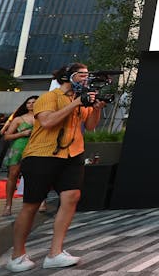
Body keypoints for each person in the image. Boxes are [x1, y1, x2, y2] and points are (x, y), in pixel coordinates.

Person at [6, 63, 106, 272]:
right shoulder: (49, 97)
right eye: (81, 75)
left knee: (71, 197)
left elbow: (89, 126)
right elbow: (48, 122)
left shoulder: (82, 100)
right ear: (67, 77)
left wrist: (97, 109)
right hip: (42, 155)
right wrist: (76, 103)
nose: (86, 79)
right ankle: (17, 256)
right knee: (32, 204)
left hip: (73, 153)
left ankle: (55, 252)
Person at [1, 97, 39, 216]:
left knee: (38, 176)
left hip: (36, 148)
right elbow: (6, 136)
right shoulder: (18, 119)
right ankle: (8, 205)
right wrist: (22, 133)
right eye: (28, 102)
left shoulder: (43, 117)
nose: (31, 104)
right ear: (25, 105)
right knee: (13, 175)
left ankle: (40, 202)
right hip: (18, 148)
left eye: (34, 102)